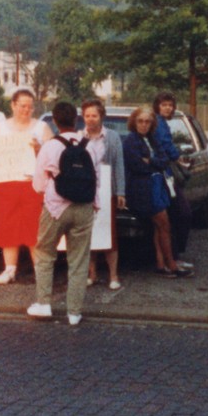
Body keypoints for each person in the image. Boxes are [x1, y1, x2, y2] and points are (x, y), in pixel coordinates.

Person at [26, 102, 99, 326]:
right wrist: (95, 205)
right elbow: (96, 179)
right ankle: (74, 312)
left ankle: (44, 303)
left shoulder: (50, 146)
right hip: (84, 207)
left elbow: (38, 184)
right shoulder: (89, 146)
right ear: (77, 119)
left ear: (55, 122)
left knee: (45, 253)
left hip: (56, 207)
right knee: (78, 260)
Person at [0, 89, 52, 285]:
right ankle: (10, 269)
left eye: (30, 106)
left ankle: (39, 270)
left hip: (33, 185)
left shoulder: (41, 127)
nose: (26, 110)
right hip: (7, 183)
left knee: (34, 227)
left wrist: (39, 149)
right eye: (22, 106)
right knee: (7, 225)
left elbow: (54, 155)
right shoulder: (1, 127)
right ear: (13, 105)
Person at [124, 107, 192, 278]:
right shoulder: (131, 141)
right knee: (164, 225)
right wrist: (153, 164)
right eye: (140, 121)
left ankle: (161, 263)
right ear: (134, 122)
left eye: (148, 121)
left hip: (158, 187)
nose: (144, 125)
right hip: (143, 190)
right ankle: (172, 264)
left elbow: (164, 161)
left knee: (159, 226)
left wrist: (151, 161)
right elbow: (137, 165)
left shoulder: (153, 139)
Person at [82, 99, 125, 291]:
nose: (91, 119)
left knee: (109, 234)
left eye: (94, 115)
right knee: (88, 234)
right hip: (85, 191)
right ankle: (92, 274)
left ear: (101, 116)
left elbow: (118, 165)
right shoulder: (78, 137)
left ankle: (113, 276)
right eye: (87, 116)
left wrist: (120, 191)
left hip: (106, 189)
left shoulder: (112, 137)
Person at [153, 91, 193, 271]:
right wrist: (177, 158)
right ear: (157, 106)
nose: (168, 108)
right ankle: (174, 257)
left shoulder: (161, 122)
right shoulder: (158, 123)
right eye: (164, 105)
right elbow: (166, 146)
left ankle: (167, 259)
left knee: (170, 219)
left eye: (170, 105)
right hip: (163, 176)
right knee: (181, 214)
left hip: (162, 175)